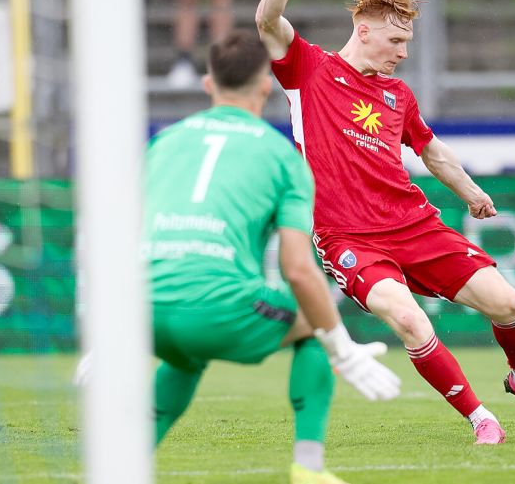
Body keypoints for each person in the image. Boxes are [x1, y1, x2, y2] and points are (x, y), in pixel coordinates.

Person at [255, 0, 515, 446]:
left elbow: (433, 152)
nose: (403, 53)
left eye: (408, 43)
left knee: (506, 303)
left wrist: (472, 193)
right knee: (407, 318)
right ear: (363, 31)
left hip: (414, 225)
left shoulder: (398, 95)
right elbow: (268, 22)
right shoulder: (309, 69)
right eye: (396, 40)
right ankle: (481, 418)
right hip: (348, 235)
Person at [146, 29, 400, 483]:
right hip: (215, 307)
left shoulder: (162, 144)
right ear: (266, 85)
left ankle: (126, 463)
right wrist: (341, 348)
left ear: (208, 84)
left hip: (139, 310)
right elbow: (299, 269)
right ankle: (308, 468)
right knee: (314, 322)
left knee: (184, 358)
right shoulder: (283, 158)